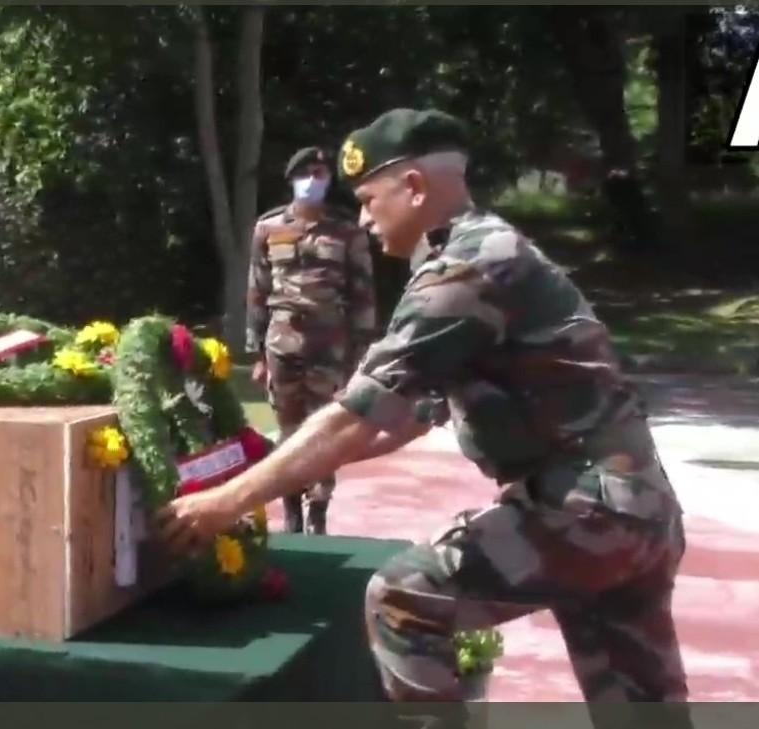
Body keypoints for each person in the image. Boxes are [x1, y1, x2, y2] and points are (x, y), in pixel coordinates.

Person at [156, 109, 687, 715]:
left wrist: (225, 502)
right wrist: (279, 462)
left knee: (404, 599)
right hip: (630, 506)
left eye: (368, 199)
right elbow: (406, 416)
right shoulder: (480, 251)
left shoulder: (466, 268)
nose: (363, 218)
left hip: (587, 509)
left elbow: (358, 412)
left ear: (412, 186)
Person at [246, 146, 377, 535]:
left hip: (329, 344)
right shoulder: (268, 228)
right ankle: (291, 512)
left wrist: (361, 353)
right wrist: (257, 353)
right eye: (306, 173)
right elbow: (257, 290)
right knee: (288, 428)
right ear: (292, 179)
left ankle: (318, 511)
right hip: (281, 342)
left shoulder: (347, 231)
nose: (313, 181)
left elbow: (363, 294)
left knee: (324, 428)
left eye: (320, 173)